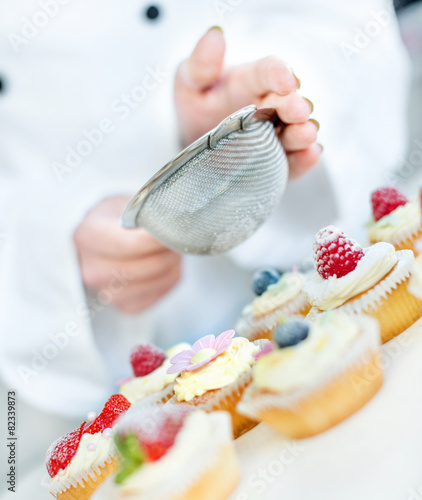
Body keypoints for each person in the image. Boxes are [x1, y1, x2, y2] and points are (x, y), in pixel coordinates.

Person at [0, 1, 410, 485]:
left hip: (317, 299)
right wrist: (39, 246)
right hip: (85, 402)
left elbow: (338, 17)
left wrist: (262, 103)